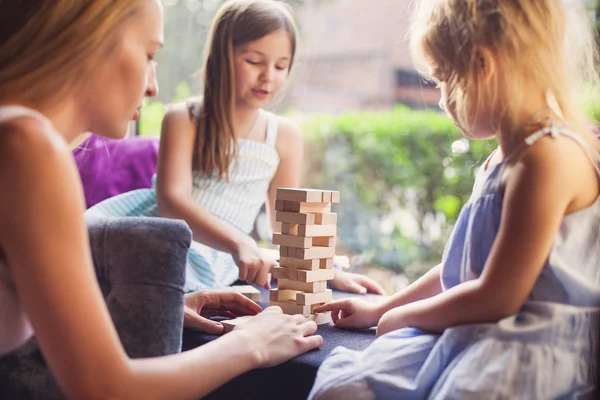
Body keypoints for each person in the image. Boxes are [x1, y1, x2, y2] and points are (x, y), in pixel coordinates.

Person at [0, 1, 322, 399]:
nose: (153, 86)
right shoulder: (25, 146)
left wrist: (184, 301)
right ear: (89, 42)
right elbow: (105, 389)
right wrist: (252, 343)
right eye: (149, 54)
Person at [309, 0, 600, 398]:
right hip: (480, 332)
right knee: (344, 389)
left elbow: (496, 296)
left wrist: (403, 316)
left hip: (524, 354)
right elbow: (462, 268)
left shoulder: (546, 158)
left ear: (483, 65)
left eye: (445, 78)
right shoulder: (507, 156)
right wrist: (384, 307)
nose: (442, 99)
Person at [86, 0, 385, 295]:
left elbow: (284, 225)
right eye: (254, 61)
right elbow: (172, 201)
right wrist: (239, 243)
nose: (268, 75)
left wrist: (327, 272)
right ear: (222, 57)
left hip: (226, 259)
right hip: (169, 238)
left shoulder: (284, 135)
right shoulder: (184, 118)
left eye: (281, 66)